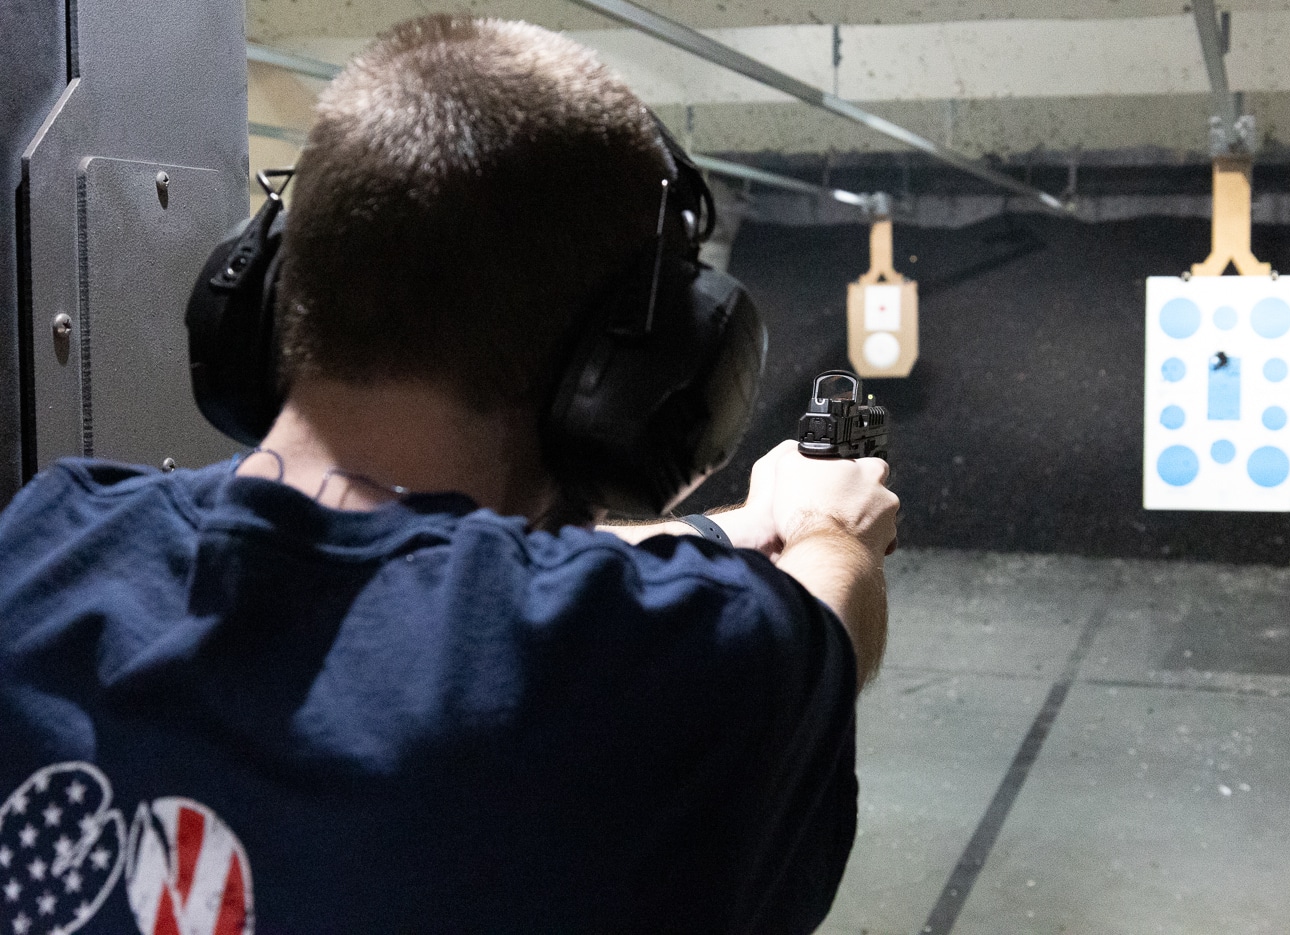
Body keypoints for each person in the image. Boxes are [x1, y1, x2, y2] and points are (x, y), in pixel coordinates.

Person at [0, 15, 898, 935]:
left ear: (268, 290)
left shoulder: (44, 547)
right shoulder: (642, 685)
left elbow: (403, 574)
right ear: (622, 376)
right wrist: (829, 528)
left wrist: (724, 529)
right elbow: (827, 621)